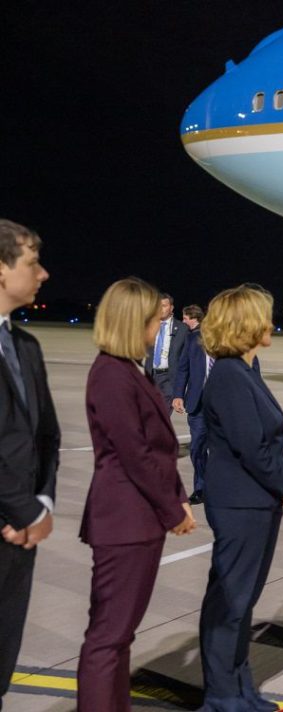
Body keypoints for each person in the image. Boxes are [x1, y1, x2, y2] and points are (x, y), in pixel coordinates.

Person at [77, 277, 196, 711]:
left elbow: (157, 447)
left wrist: (177, 495)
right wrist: (174, 509)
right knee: (107, 638)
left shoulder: (128, 369)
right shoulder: (111, 374)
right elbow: (135, 453)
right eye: (153, 318)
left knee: (120, 635)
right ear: (135, 321)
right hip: (125, 520)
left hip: (138, 519)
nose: (158, 325)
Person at [198, 284, 283, 710]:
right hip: (241, 502)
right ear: (247, 324)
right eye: (264, 315)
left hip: (256, 501)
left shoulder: (244, 371)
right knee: (231, 600)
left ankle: (240, 686)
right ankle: (221, 694)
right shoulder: (229, 375)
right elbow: (251, 444)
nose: (271, 323)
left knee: (244, 599)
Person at [0, 220, 60, 710]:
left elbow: (48, 439)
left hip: (18, 538)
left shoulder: (26, 347)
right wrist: (25, 512)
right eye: (31, 261)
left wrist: (40, 505)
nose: (42, 274)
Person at [173, 305, 209, 504]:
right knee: (197, 447)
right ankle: (201, 488)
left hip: (221, 403)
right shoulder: (191, 338)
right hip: (197, 401)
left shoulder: (224, 337)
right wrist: (178, 394)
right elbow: (183, 368)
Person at [145, 293, 188, 411]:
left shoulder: (182, 329)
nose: (160, 309)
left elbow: (186, 359)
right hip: (151, 376)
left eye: (164, 306)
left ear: (171, 308)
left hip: (169, 379)